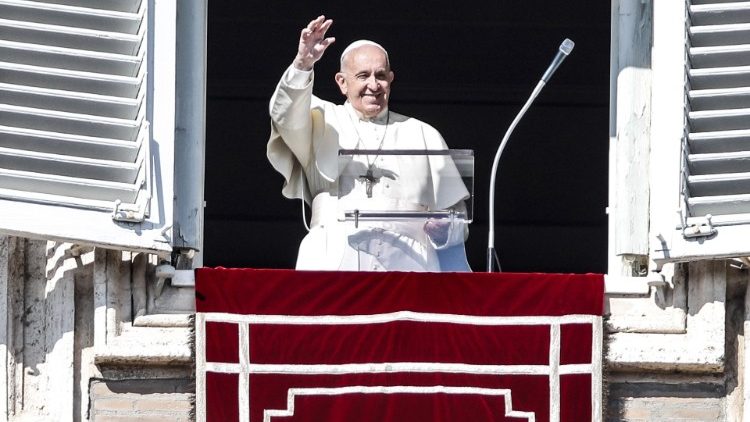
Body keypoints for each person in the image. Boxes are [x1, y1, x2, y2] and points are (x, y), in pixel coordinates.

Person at [267, 15, 471, 272]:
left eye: (381, 76)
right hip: (333, 257)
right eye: (363, 75)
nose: (373, 85)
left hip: (411, 265)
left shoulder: (423, 133)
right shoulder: (320, 119)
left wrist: (447, 229)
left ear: (391, 80)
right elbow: (284, 114)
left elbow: (458, 217)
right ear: (342, 82)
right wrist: (302, 65)